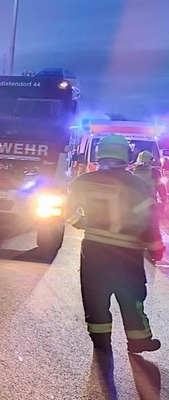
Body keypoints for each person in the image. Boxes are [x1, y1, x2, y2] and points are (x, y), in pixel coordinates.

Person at [67, 134, 164, 354]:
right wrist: (155, 246)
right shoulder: (137, 185)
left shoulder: (83, 182)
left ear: (100, 154)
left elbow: (69, 210)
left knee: (95, 295)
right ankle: (139, 340)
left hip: (93, 249)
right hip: (127, 252)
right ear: (126, 155)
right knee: (132, 296)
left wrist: (80, 223)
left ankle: (100, 341)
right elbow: (149, 219)